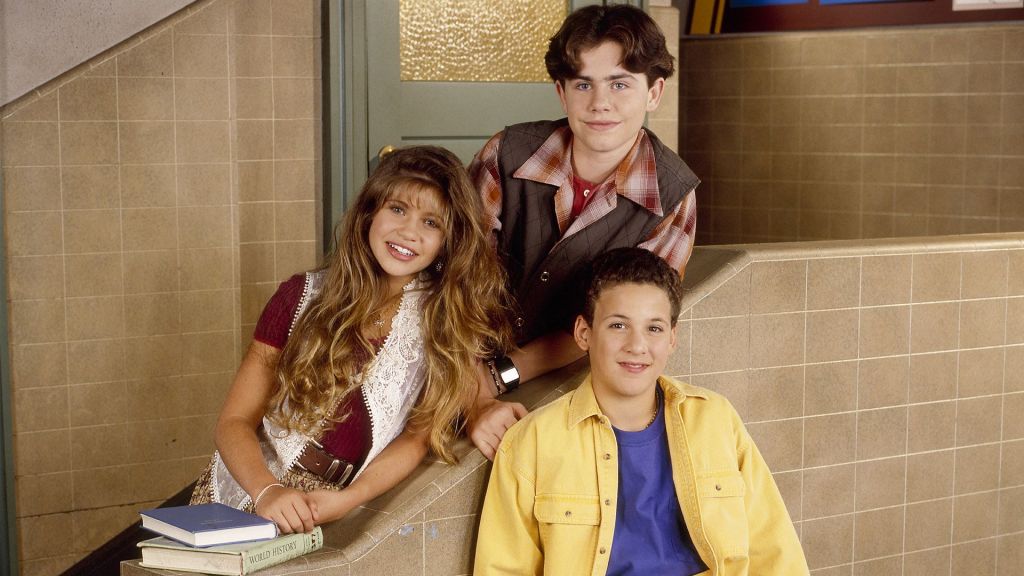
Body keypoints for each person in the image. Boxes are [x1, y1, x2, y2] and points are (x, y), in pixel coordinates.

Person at [190, 146, 513, 534]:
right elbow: (234, 420)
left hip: (328, 505)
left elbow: (415, 440)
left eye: (431, 223)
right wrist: (267, 491)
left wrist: (349, 499)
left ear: (449, 240)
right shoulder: (300, 296)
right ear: (370, 212)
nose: (408, 232)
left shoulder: (443, 325)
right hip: (248, 487)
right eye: (397, 209)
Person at [475, 248, 809, 576]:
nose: (637, 346)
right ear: (584, 333)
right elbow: (503, 569)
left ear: (672, 338)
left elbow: (774, 548)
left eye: (654, 328)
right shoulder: (532, 442)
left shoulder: (715, 419)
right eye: (618, 326)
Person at [468, 4, 700, 459]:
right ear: (561, 92)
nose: (600, 103)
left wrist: (501, 376)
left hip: (558, 369)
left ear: (654, 92)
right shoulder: (504, 154)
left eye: (620, 84)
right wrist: (469, 389)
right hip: (453, 352)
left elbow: (618, 322)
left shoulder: (673, 197)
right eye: (583, 84)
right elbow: (448, 282)